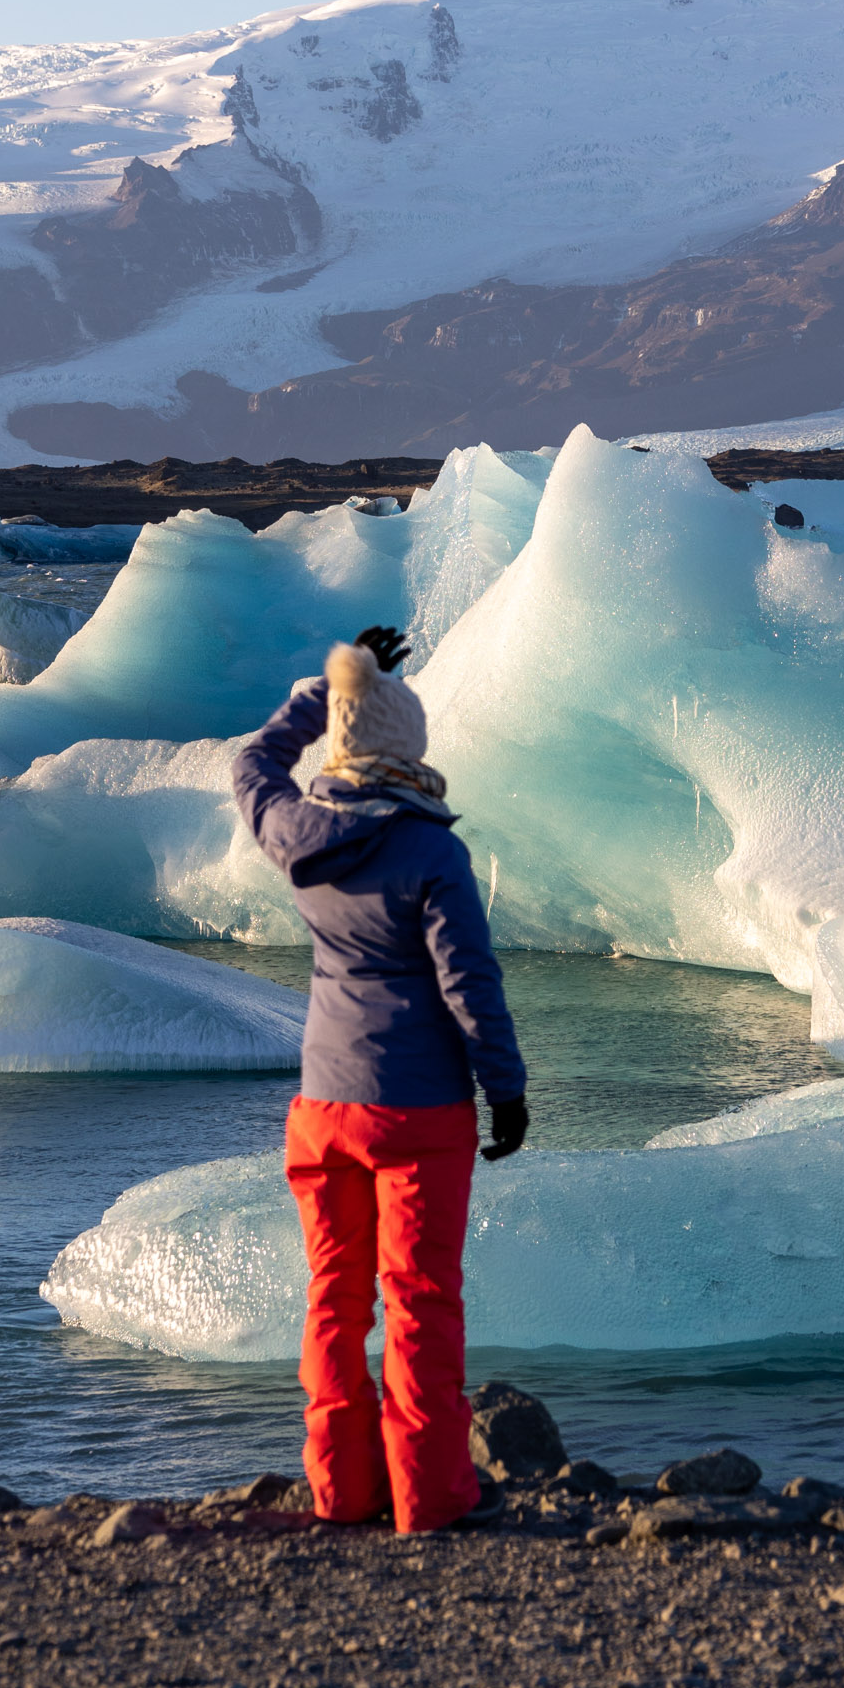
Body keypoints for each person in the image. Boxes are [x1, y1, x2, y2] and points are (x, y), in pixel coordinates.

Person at [231, 624, 528, 1534]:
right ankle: (429, 1499)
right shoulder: (432, 853)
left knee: (333, 1299)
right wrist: (505, 1086)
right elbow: (467, 981)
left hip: (323, 1106)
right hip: (420, 1110)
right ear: (408, 749)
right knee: (420, 1302)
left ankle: (342, 1493)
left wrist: (328, 686)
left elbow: (254, 763)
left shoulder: (296, 832)